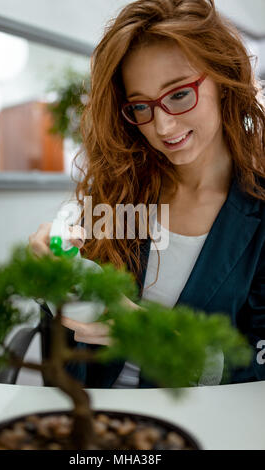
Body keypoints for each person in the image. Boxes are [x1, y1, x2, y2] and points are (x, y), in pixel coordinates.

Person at [29, 0, 265, 387]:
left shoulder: (258, 214)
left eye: (179, 94)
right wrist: (50, 274)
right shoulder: (122, 192)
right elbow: (70, 322)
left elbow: (255, 373)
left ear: (223, 80)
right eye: (141, 105)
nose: (162, 125)